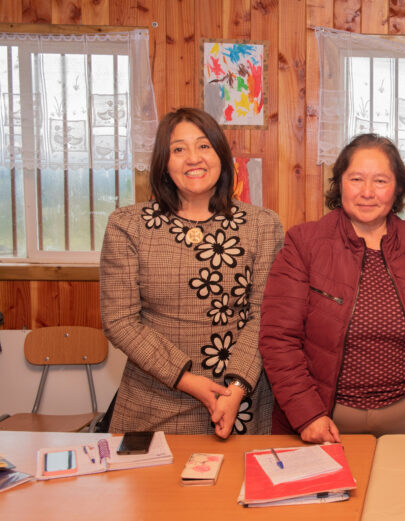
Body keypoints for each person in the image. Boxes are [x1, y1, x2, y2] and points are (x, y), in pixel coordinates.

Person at [258, 134, 405, 443]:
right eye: (356, 179)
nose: (367, 192)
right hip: (326, 419)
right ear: (339, 183)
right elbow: (279, 339)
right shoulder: (304, 244)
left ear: (398, 188)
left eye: (380, 181)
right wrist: (307, 415)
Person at [100, 107, 283, 438]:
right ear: (164, 164)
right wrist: (188, 381)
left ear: (220, 155)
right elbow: (120, 320)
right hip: (155, 399)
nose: (192, 158)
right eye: (178, 149)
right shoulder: (128, 225)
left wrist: (236, 387)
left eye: (203, 146)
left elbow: (265, 314)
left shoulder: (262, 224)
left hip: (240, 399)